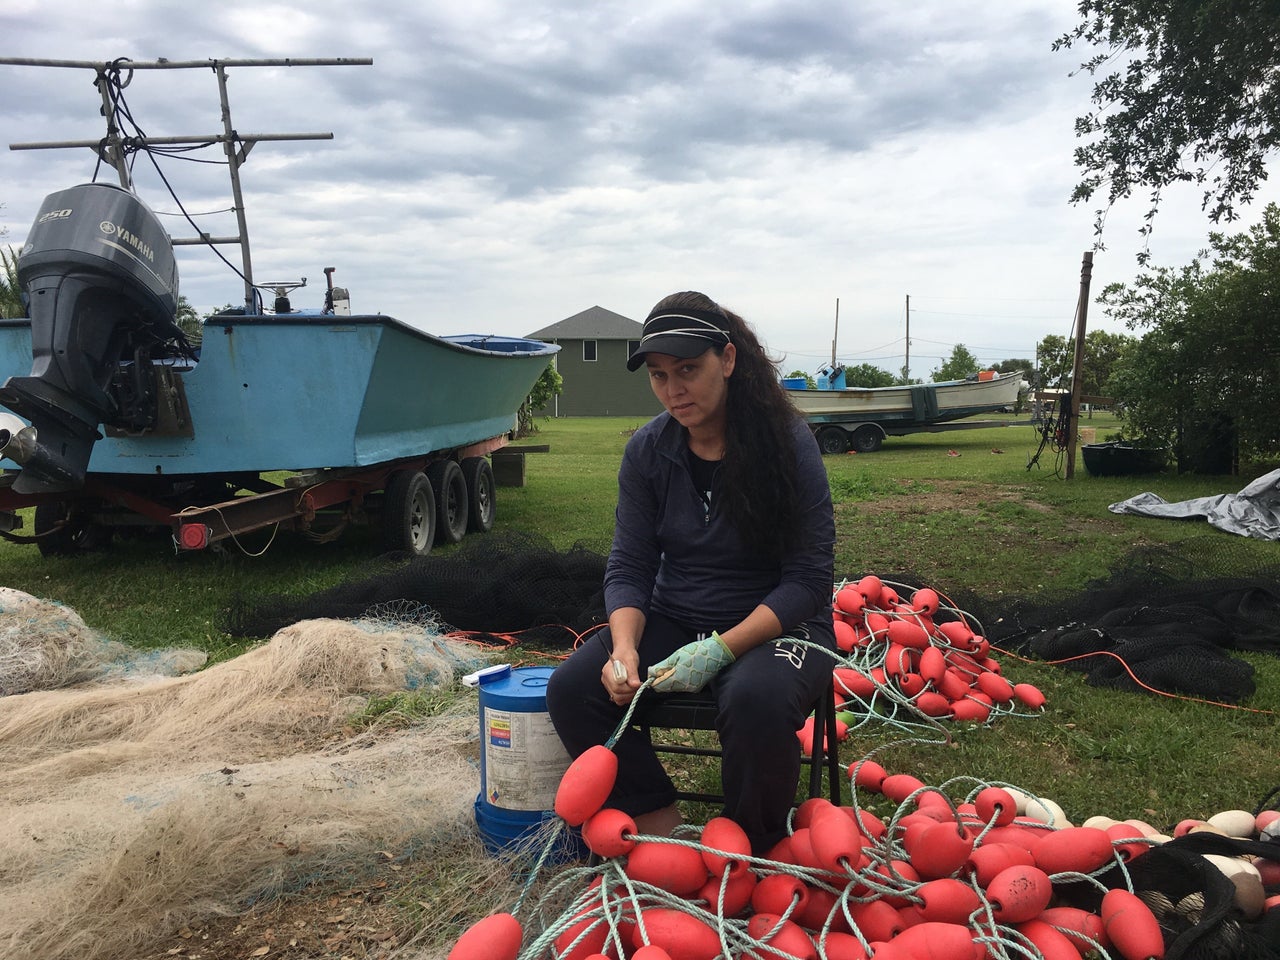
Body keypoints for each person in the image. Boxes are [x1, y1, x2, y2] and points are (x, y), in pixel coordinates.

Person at [545, 290, 836, 855]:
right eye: (658, 375)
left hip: (782, 625)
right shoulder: (649, 452)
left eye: (688, 370)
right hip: (678, 614)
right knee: (575, 688)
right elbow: (630, 564)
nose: (674, 390)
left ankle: (751, 845)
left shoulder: (786, 443)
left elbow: (807, 580)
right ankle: (658, 818)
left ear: (727, 360)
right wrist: (625, 649)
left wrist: (724, 649)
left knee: (756, 698)